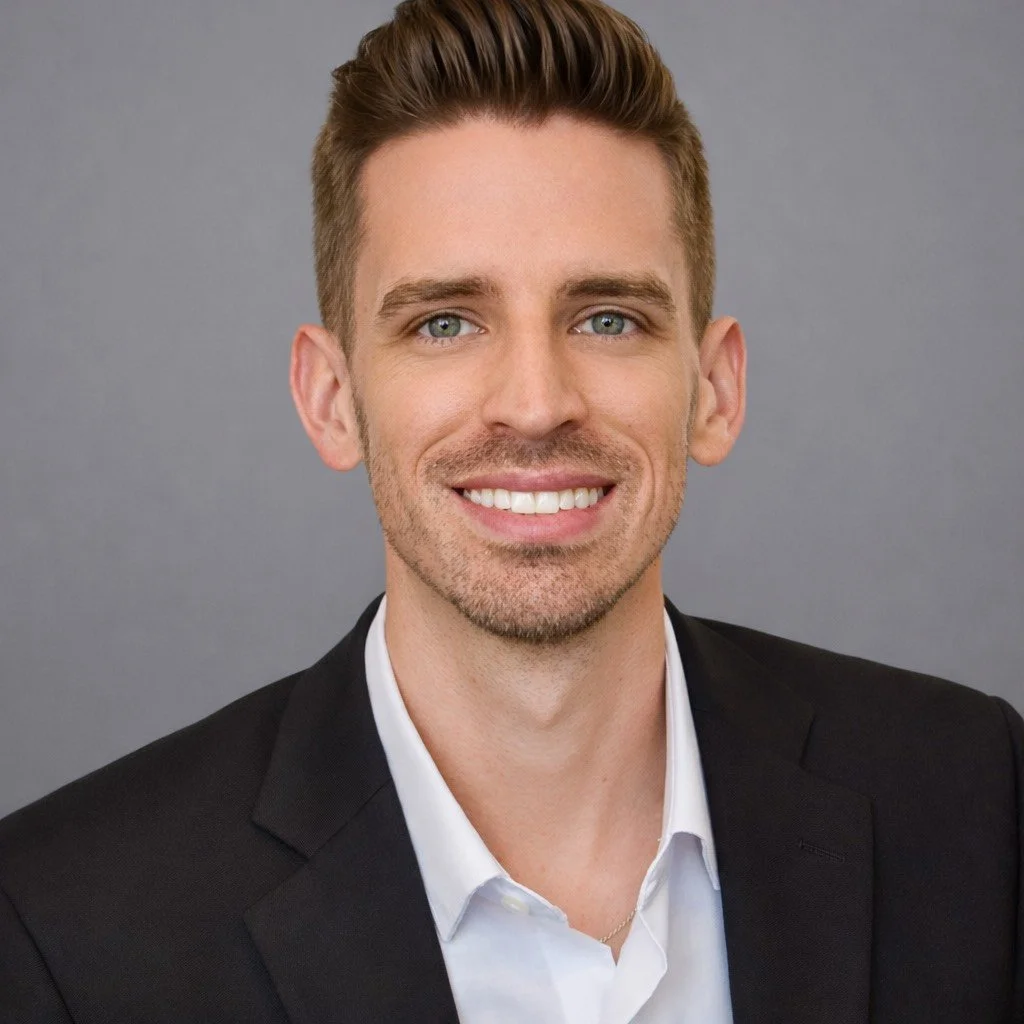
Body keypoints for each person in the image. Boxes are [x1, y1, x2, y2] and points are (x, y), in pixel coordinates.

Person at [1, 0, 1021, 1020]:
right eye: (445, 321)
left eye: (608, 317)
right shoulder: (66, 928)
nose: (536, 403)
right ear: (331, 398)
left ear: (713, 389)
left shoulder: (976, 802)